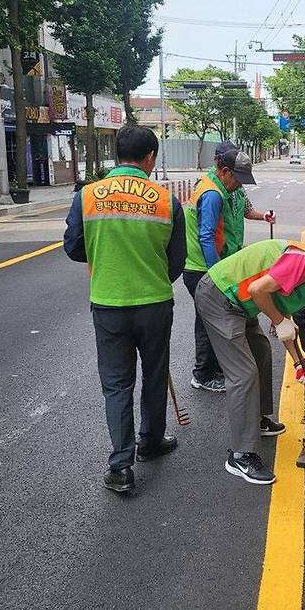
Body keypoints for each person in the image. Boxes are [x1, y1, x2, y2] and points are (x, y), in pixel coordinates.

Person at [64, 125, 187, 493]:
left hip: (108, 305)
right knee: (154, 374)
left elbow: (73, 247)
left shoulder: (87, 196)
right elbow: (176, 262)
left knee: (117, 385)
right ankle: (151, 442)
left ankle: (120, 466)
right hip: (154, 305)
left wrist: (106, 258)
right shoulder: (167, 201)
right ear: (150, 157)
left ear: (117, 155)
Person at [195, 238, 305, 485]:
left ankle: (257, 420)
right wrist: (279, 320)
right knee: (243, 374)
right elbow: (258, 291)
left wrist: (299, 361)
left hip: (242, 305)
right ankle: (241, 455)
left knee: (262, 351)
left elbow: (282, 312)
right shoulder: (303, 263)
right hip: (220, 297)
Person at [183, 143, 275, 393]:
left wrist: (262, 216)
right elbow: (206, 237)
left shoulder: (231, 189)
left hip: (224, 265)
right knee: (209, 321)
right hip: (205, 270)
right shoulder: (212, 194)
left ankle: (214, 368)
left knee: (215, 319)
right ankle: (202, 374)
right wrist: (216, 277)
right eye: (237, 178)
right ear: (223, 171)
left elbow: (245, 210)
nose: (240, 184)